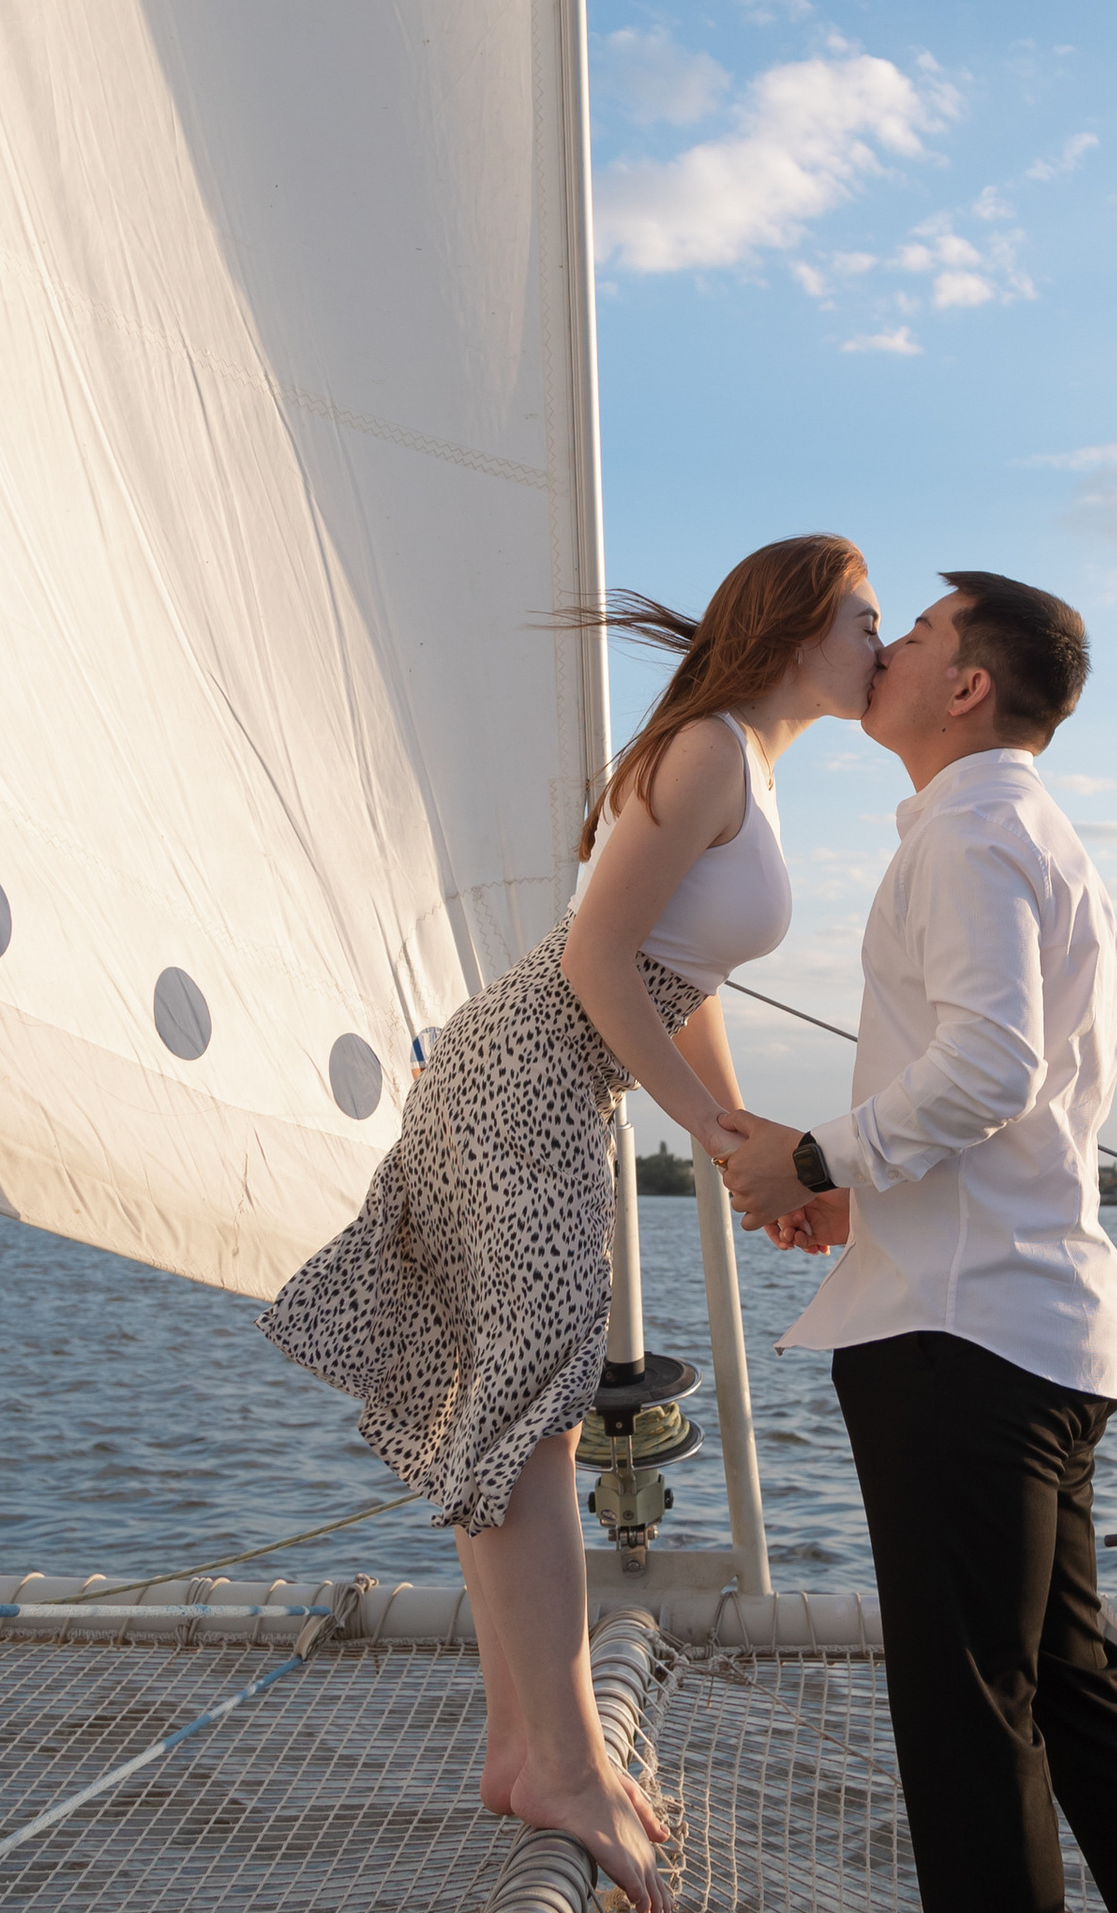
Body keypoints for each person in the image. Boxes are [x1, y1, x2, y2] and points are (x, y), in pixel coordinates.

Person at [261, 535, 882, 1913]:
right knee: (530, 1420)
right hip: (524, 1084)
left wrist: (747, 1146)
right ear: (796, 630)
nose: (880, 645)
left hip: (544, 1085)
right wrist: (723, 1138)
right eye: (864, 619)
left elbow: (679, 976)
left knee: (519, 1417)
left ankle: (521, 1747)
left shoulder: (743, 763)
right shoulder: (709, 751)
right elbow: (600, 957)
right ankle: (561, 1763)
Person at [719, 573, 1117, 1913]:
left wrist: (818, 1158)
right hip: (1037, 1327)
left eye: (918, 632)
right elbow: (1015, 1092)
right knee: (1072, 1695)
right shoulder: (1029, 833)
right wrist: (861, 1193)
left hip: (963, 1342)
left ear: (966, 687)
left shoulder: (967, 834)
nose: (887, 645)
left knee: (969, 1724)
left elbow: (992, 1069)